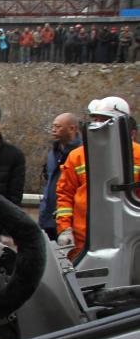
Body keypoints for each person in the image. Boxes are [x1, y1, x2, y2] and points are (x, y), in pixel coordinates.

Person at [56, 97, 140, 259]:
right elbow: (65, 195)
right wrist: (65, 228)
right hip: (84, 240)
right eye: (96, 119)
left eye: (105, 120)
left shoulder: (137, 155)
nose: (98, 125)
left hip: (128, 240)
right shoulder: (77, 156)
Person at [38, 113, 81, 240]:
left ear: (72, 129)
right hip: (47, 218)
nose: (53, 130)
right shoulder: (53, 152)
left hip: (70, 221)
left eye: (58, 127)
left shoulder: (81, 154)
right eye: (53, 126)